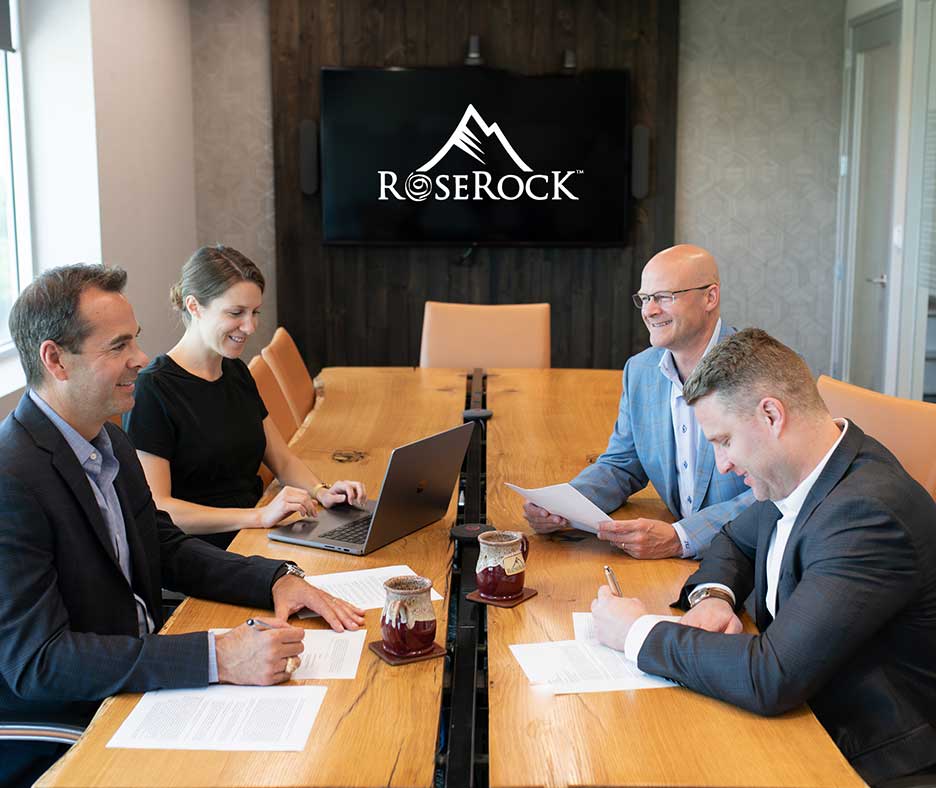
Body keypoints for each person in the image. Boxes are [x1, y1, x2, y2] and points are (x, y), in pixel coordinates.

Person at [0, 264, 365, 787]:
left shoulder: (107, 440)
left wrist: (275, 579)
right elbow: (39, 662)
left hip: (144, 671)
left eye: (137, 340)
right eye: (118, 346)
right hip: (78, 711)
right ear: (55, 359)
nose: (141, 359)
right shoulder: (12, 477)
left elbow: (164, 546)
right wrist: (216, 656)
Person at [590, 328, 936, 787]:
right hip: (799, 716)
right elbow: (734, 539)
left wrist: (634, 632)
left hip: (864, 756)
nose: (723, 463)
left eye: (724, 441)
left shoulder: (866, 515)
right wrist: (712, 598)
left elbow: (770, 676)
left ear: (771, 415)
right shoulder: (806, 469)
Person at [123, 245, 365, 550]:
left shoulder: (236, 372)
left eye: (255, 312)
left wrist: (321, 491)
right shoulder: (153, 389)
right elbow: (160, 508)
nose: (250, 327)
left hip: (256, 533)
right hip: (201, 550)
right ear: (194, 306)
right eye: (236, 313)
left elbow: (282, 459)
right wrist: (258, 516)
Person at [524, 244, 753, 558]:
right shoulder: (641, 370)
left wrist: (682, 536)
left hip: (749, 563)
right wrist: (565, 505)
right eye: (645, 298)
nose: (649, 310)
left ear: (710, 297)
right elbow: (622, 465)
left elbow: (779, 492)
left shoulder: (760, 372)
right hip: (670, 560)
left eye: (664, 297)